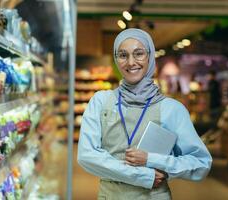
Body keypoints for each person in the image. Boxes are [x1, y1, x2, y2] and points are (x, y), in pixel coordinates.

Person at [77, 28, 212, 199]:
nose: (131, 62)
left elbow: (200, 164)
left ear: (150, 56)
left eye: (138, 53)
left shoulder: (171, 109)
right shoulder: (101, 102)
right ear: (116, 59)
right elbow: (86, 156)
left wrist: (151, 159)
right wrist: (143, 176)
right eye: (123, 55)